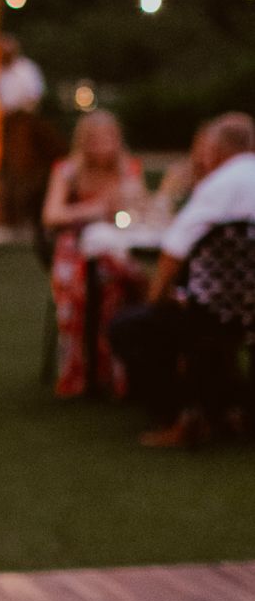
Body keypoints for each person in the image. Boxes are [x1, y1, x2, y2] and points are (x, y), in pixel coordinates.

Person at [110, 111, 255, 446]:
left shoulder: (218, 186)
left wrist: (155, 299)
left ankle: (178, 415)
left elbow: (173, 252)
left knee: (130, 327)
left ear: (215, 150)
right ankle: (231, 406)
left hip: (213, 312)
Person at [42, 110, 150, 398]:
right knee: (83, 289)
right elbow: (51, 215)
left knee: (125, 284)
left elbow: (141, 209)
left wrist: (129, 205)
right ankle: (80, 373)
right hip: (74, 249)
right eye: (96, 140)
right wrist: (95, 209)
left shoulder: (128, 170)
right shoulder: (67, 171)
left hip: (117, 246)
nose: (103, 146)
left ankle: (122, 375)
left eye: (108, 139)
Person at [0, 36, 64, 246]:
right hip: (6, 122)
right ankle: (13, 218)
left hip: (26, 120)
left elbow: (35, 95)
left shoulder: (26, 69)